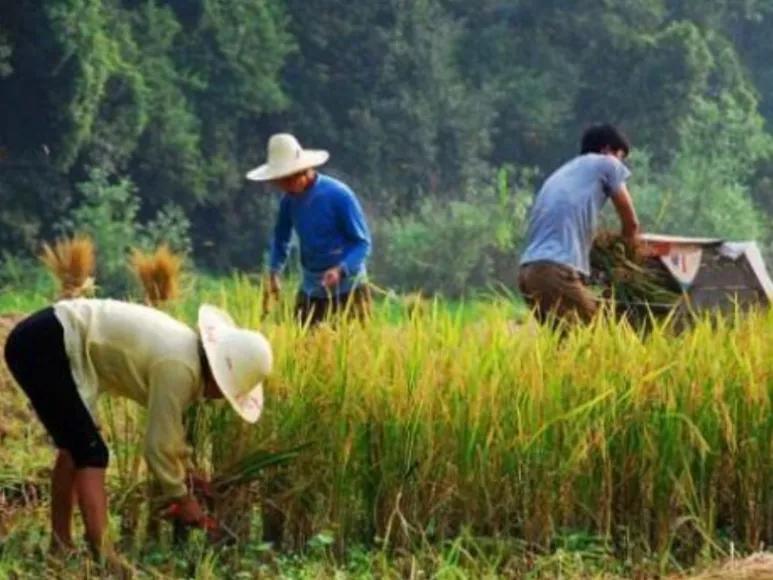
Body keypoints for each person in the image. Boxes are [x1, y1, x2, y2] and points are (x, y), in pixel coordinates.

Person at [3, 299, 272, 558]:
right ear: (218, 376)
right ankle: (103, 554)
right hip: (45, 343)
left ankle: (60, 546)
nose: (221, 397)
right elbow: (158, 446)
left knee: (76, 447)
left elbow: (170, 432)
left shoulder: (185, 353)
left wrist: (186, 472)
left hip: (50, 336)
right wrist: (182, 498)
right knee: (92, 453)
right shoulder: (179, 368)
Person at [518, 124, 640, 324]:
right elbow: (631, 224)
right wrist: (628, 262)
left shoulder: (565, 172)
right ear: (607, 150)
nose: (621, 165)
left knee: (566, 346)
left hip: (529, 273)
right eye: (621, 157)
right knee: (603, 339)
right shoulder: (607, 163)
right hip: (554, 271)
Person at [247, 133, 372, 325]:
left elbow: (362, 244)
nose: (284, 188)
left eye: (287, 181)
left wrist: (341, 270)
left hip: (349, 289)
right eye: (279, 182)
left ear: (302, 172)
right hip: (312, 288)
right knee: (302, 346)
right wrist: (273, 271)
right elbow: (281, 238)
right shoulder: (289, 201)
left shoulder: (339, 196)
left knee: (353, 348)